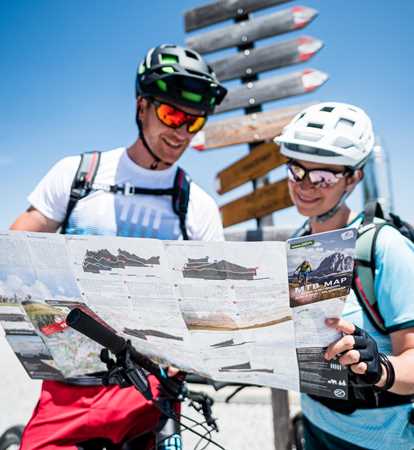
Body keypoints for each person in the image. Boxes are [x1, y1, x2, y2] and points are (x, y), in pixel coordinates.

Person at [11, 43, 227, 450]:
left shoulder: (196, 205)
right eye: (172, 114)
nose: (181, 131)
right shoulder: (78, 176)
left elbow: (214, 303)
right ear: (141, 106)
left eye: (194, 122)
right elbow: (16, 252)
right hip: (71, 385)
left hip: (152, 390)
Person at [275, 102, 414, 450]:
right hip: (316, 430)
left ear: (354, 177)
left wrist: (379, 367)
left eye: (323, 176)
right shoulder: (298, 242)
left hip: (383, 440)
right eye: (296, 171)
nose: (305, 185)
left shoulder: (383, 248)